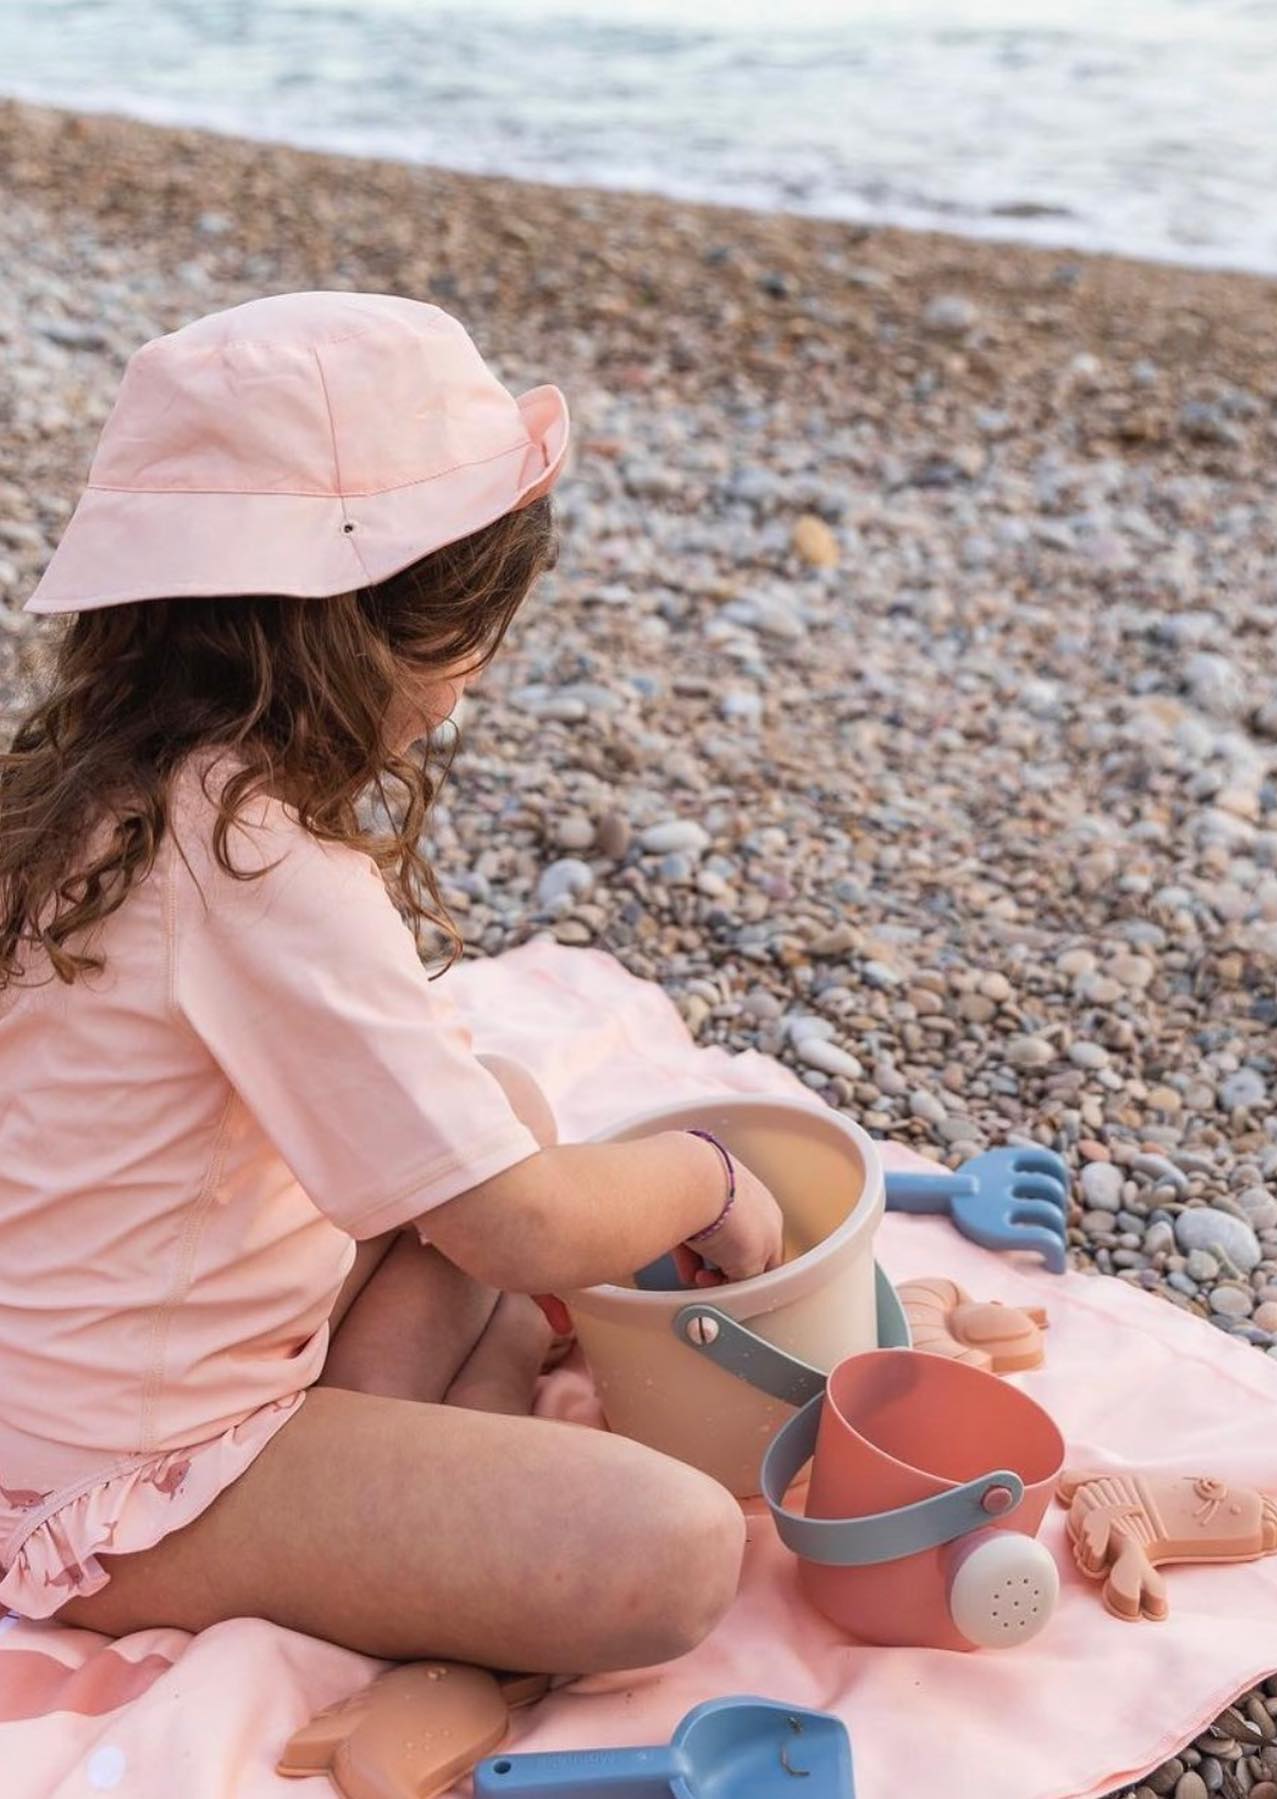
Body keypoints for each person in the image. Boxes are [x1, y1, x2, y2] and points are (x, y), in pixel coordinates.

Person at [0, 291, 785, 1676]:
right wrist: (708, 1179)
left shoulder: (105, 791)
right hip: (112, 1476)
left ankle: (414, 1473)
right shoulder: (253, 859)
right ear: (383, 628)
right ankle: (412, 1532)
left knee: (501, 1099)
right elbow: (522, 1228)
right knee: (674, 1549)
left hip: (99, 1353)